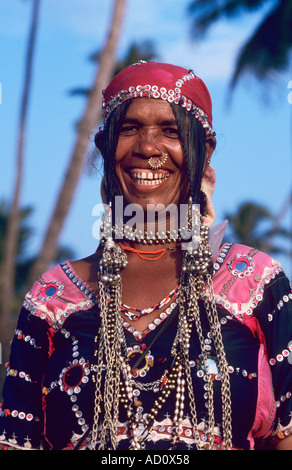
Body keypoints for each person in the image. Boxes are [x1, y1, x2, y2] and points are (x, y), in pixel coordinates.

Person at [0, 61, 292, 451]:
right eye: (130, 128)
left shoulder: (254, 282)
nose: (148, 147)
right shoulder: (52, 297)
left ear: (204, 151)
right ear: (106, 146)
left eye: (170, 131)